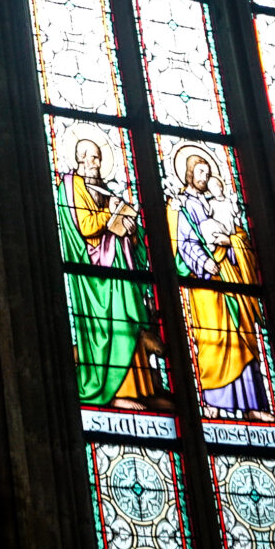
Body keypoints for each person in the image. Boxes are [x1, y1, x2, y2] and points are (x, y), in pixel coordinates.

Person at [54, 136, 164, 409]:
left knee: (127, 323)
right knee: (113, 324)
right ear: (79, 159)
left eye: (98, 157)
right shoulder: (70, 186)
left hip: (115, 265)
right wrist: (110, 216)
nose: (95, 163)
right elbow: (86, 227)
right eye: (90, 157)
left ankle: (139, 388)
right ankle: (114, 391)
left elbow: (116, 231)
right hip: (93, 272)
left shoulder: (101, 187)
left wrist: (129, 227)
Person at [167, 149, 270, 418]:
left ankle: (252, 405)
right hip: (205, 281)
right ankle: (214, 401)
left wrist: (232, 243)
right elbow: (183, 242)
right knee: (213, 336)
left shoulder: (217, 203)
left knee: (243, 335)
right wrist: (204, 262)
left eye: (207, 171)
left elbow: (238, 234)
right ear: (189, 174)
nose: (205, 176)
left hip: (229, 275)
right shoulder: (183, 205)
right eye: (200, 171)